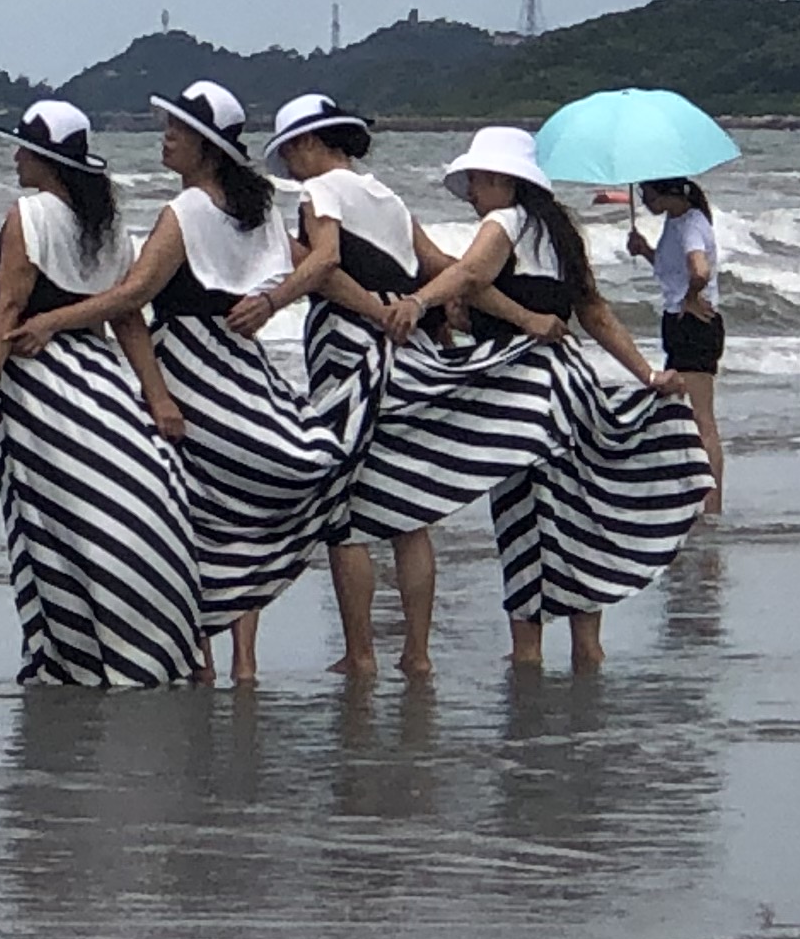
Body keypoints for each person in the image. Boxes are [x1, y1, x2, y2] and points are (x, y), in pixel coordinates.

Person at [7, 80, 346, 682]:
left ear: (204, 147)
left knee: (189, 512)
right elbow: (314, 269)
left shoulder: (186, 209)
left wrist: (54, 320)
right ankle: (242, 659)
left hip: (186, 364)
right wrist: (369, 307)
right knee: (236, 510)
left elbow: (133, 295)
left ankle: (199, 654)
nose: (164, 139)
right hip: (241, 365)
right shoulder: (257, 206)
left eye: (175, 132)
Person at [384, 128, 709, 669]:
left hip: (521, 397)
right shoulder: (559, 232)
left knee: (523, 520)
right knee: (577, 518)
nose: (471, 194)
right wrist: (647, 374)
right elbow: (595, 314)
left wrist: (418, 303)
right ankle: (587, 649)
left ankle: (527, 655)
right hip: (570, 386)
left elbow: (469, 274)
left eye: (477, 183)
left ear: (501, 181)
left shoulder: (504, 221)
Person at [0, 100, 205, 686]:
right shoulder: (106, 221)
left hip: (40, 384)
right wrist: (157, 397)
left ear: (46, 160)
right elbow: (127, 318)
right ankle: (144, 640)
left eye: (24, 149)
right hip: (99, 373)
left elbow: (10, 309)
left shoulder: (28, 215)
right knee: (109, 507)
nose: (16, 157)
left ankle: (70, 652)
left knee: (49, 521)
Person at [262, 92, 497, 675]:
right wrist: (501, 312)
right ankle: (416, 652)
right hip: (405, 342)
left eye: (289, 152)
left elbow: (324, 263)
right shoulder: (386, 196)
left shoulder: (320, 192)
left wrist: (271, 301)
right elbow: (440, 265)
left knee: (346, 507)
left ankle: (360, 652)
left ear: (311, 143)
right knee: (409, 511)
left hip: (349, 341)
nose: (289, 168)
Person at [635, 176, 727, 511]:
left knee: (702, 418)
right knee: (680, 415)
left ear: (668, 193)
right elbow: (672, 272)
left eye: (647, 194)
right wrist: (645, 249)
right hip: (681, 324)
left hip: (694, 325)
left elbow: (698, 270)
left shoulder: (690, 223)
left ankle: (712, 505)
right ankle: (689, 496)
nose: (643, 201)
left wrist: (691, 297)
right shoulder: (677, 222)